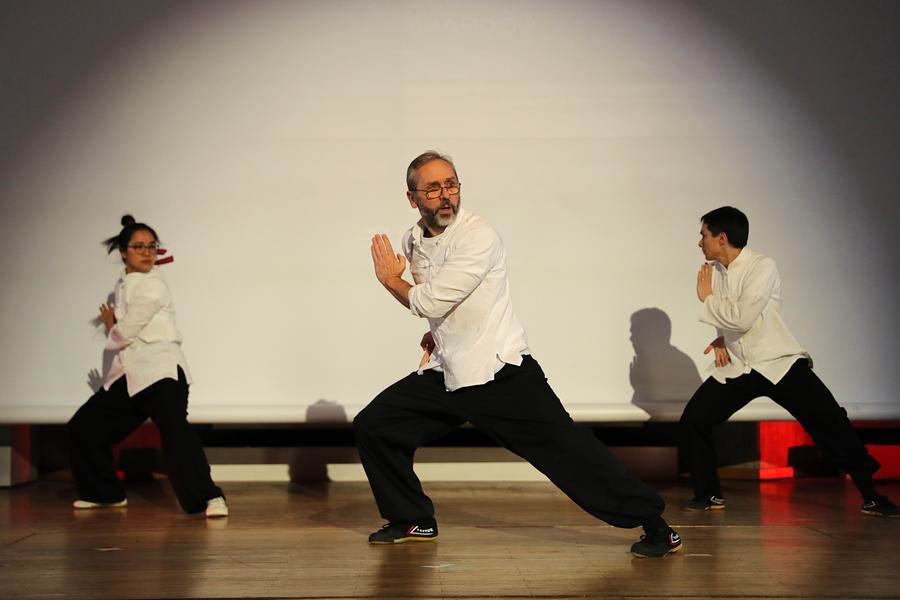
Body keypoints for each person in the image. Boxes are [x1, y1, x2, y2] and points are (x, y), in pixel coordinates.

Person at [354, 151, 682, 557]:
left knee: (568, 453)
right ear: (413, 198)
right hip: (449, 370)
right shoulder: (412, 240)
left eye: (451, 185)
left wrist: (391, 281)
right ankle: (412, 519)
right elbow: (446, 306)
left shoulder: (478, 236)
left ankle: (657, 525)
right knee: (375, 425)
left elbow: (431, 300)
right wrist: (437, 334)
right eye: (433, 188)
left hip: (498, 371)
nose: (445, 195)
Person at [680, 206, 898, 516]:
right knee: (694, 420)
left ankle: (872, 497)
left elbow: (742, 317)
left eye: (704, 235)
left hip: (777, 362)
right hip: (741, 366)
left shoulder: (762, 266)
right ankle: (708, 495)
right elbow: (733, 319)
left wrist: (707, 299)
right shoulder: (715, 271)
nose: (699, 242)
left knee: (830, 423)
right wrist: (722, 338)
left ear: (722, 238)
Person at [68, 215, 228, 518]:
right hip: (131, 375)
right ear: (123, 252)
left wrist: (112, 327)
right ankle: (104, 493)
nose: (147, 252)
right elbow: (127, 333)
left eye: (151, 246)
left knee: (175, 432)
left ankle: (209, 498)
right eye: (139, 246)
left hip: (160, 370)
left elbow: (129, 328)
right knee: (85, 426)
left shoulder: (154, 283)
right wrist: (115, 329)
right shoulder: (124, 284)